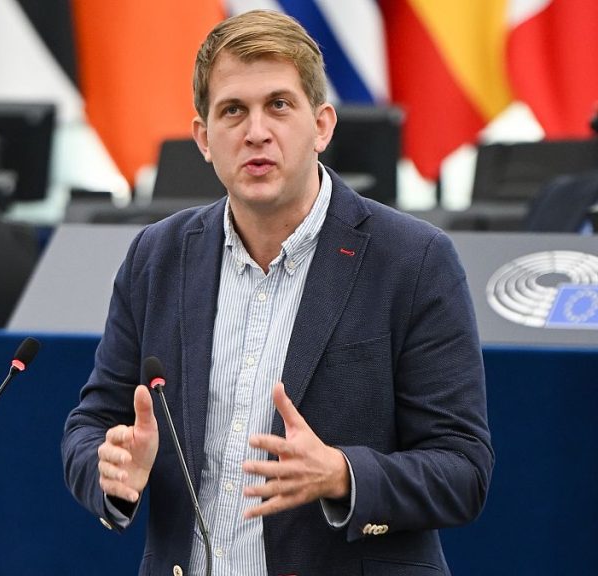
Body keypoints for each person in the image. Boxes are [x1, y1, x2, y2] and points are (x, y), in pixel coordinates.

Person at [61, 9, 493, 576]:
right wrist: (110, 470)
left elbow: (463, 469)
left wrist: (342, 474)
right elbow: (89, 426)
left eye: (279, 105)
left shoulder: (413, 261)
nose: (256, 131)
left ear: (322, 125)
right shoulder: (157, 257)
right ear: (204, 138)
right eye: (233, 111)